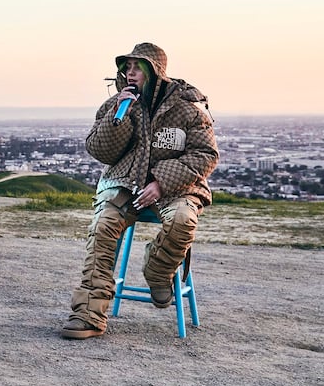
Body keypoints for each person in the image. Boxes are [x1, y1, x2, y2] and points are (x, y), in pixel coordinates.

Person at [61, 42, 218, 340]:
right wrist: (118, 117)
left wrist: (161, 182)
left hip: (176, 188)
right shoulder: (116, 106)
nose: (130, 73)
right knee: (103, 226)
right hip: (125, 184)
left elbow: (205, 155)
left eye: (138, 67)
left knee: (183, 220)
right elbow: (101, 151)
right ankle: (88, 315)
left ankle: (158, 272)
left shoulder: (188, 109)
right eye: (127, 67)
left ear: (155, 71)